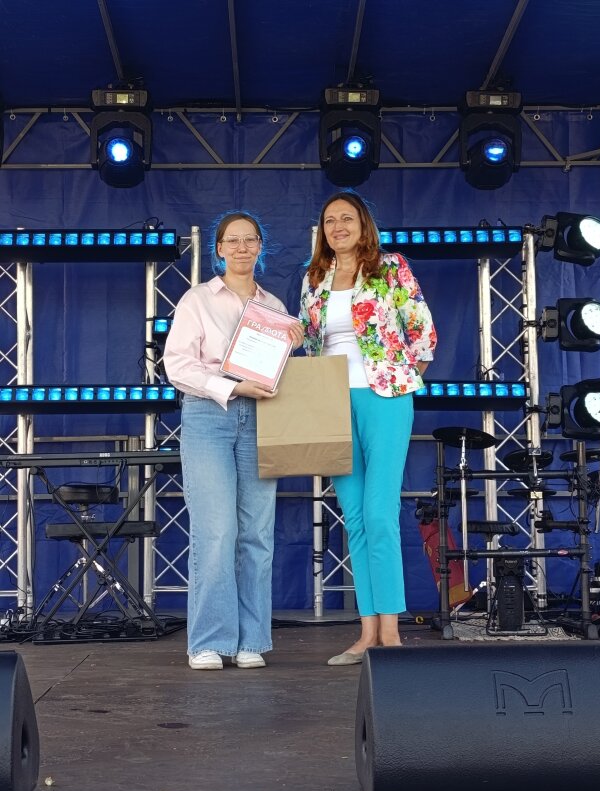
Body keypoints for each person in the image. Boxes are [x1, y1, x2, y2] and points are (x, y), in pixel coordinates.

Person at [299, 191, 437, 665]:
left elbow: (422, 331)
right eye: (329, 220)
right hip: (331, 403)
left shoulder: (390, 267)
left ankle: (391, 634)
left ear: (363, 225)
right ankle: (367, 634)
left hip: (385, 397)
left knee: (380, 514)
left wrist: (401, 377)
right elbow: (309, 342)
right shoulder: (313, 278)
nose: (337, 226)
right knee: (354, 518)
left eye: (347, 218)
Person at [163, 211, 304, 670]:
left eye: (250, 240)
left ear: (260, 247)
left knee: (257, 534)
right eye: (233, 240)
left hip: (262, 418)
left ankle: (251, 641)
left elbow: (279, 375)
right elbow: (177, 366)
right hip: (209, 415)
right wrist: (231, 386)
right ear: (219, 249)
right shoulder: (197, 299)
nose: (242, 247)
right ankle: (209, 641)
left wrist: (292, 347)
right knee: (216, 530)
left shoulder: (275, 307)